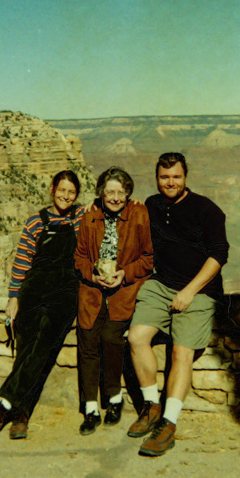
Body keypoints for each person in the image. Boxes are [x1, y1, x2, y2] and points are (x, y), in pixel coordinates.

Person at [126, 152, 229, 456]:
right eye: (164, 177)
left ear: (186, 177)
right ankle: (151, 406)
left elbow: (218, 256)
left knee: (181, 352)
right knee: (136, 337)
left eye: (176, 177)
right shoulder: (152, 205)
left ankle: (169, 424)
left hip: (199, 290)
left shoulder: (206, 210)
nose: (170, 182)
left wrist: (189, 291)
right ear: (157, 178)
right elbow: (124, 218)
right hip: (161, 285)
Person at [0, 170, 84, 440]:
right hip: (34, 290)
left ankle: (4, 406)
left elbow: (109, 208)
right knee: (27, 348)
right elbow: (23, 260)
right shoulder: (36, 222)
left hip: (64, 293)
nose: (65, 196)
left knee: (43, 343)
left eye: (71, 192)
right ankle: (22, 412)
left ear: (77, 196)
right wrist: (13, 297)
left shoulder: (81, 217)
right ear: (52, 189)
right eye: (61, 190)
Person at [74, 167, 153, 435]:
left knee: (111, 338)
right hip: (92, 292)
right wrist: (92, 277)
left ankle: (115, 399)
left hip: (123, 293)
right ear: (101, 194)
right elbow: (80, 258)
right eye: (110, 192)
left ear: (129, 193)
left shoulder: (139, 214)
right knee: (87, 343)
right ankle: (91, 409)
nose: (116, 198)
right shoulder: (90, 217)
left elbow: (148, 258)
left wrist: (124, 274)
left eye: (121, 192)